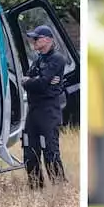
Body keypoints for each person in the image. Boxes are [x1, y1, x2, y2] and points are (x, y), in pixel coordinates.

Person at [22, 25, 68, 188]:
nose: (33, 41)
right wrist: (33, 81)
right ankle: (35, 185)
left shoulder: (57, 59)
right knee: (29, 148)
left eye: (37, 38)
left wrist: (34, 81)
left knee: (49, 150)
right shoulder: (38, 60)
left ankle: (59, 186)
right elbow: (27, 81)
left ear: (47, 40)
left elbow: (41, 83)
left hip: (48, 111)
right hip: (33, 110)